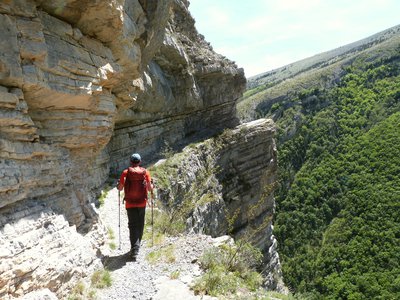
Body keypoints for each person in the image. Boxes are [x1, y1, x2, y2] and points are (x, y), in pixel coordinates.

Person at [117, 153, 153, 261]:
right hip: (142, 202)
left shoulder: (125, 172)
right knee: (140, 224)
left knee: (132, 225)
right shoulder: (145, 172)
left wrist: (118, 185)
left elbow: (120, 188)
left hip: (130, 203)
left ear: (131, 162)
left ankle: (134, 248)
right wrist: (152, 184)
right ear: (140, 162)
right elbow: (150, 188)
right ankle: (137, 246)